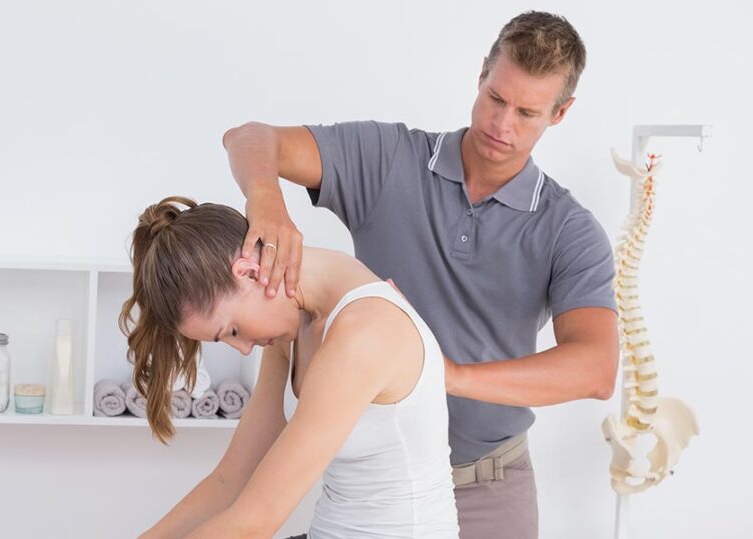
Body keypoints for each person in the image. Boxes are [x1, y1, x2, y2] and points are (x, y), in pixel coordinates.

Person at [220, 11, 619, 539]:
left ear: (560, 113)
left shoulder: (568, 230)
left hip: (488, 488)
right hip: (378, 485)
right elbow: (249, 137)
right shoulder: (390, 162)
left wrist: (444, 373)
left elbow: (595, 369)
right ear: (481, 75)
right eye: (496, 99)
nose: (502, 125)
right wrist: (266, 200)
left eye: (527, 112)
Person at [122, 196, 460, 538]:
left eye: (233, 331)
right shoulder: (291, 328)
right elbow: (231, 479)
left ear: (249, 273)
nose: (242, 349)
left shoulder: (365, 331)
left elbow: (256, 520)